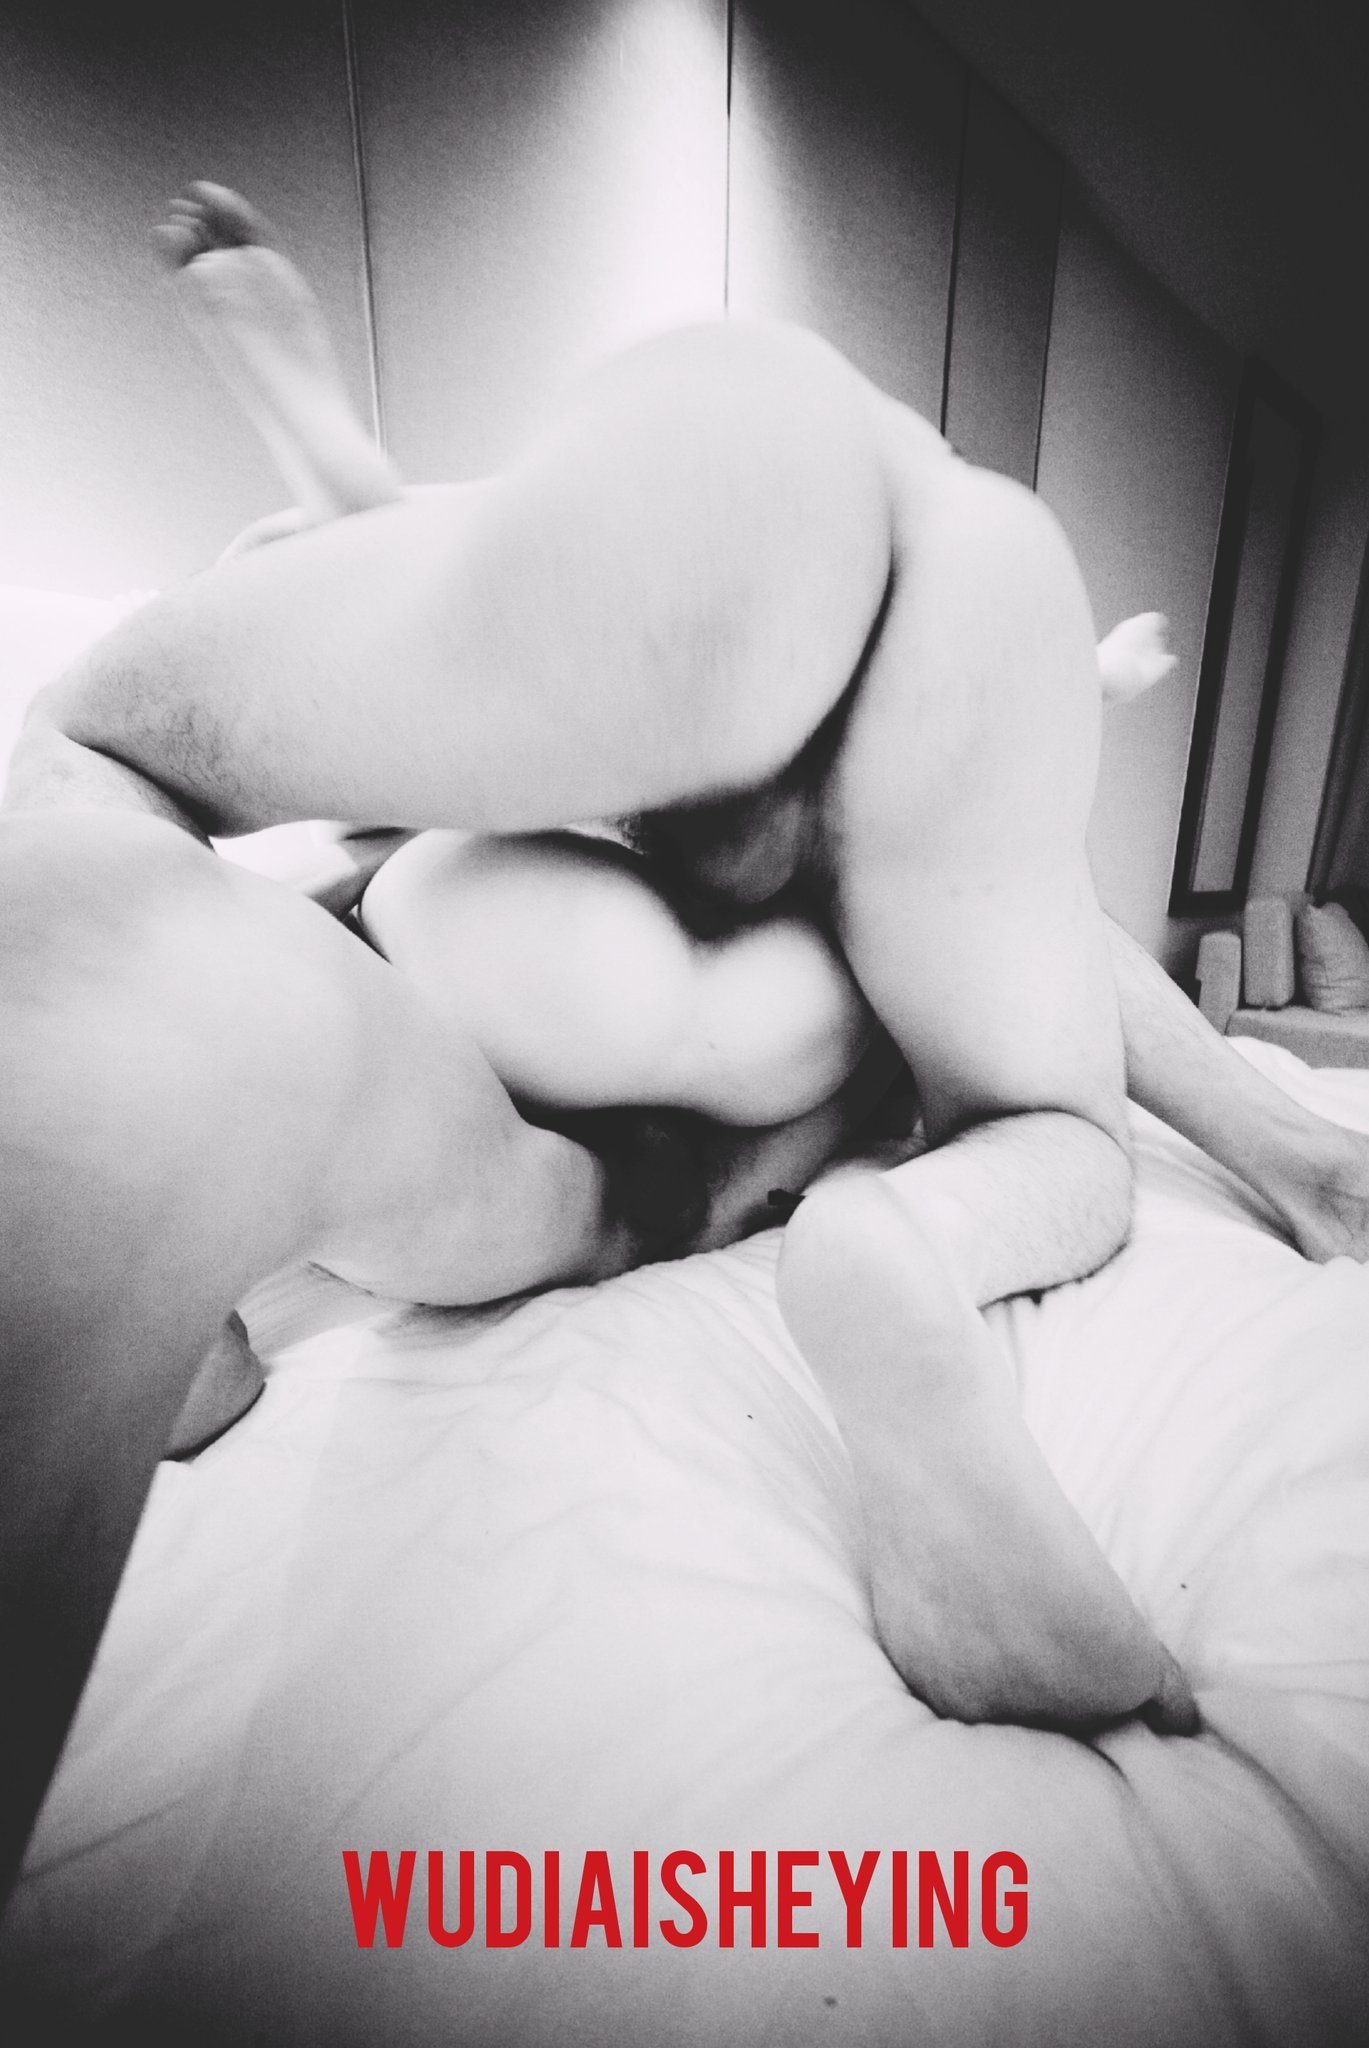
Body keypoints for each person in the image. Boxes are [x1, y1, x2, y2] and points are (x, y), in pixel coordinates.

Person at [5, 183, 1368, 1900]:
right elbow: (1047, 947)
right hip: (842, 769)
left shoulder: (365, 908)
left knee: (113, 822)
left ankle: (145, 1214)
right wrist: (1265, 1126)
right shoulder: (878, 847)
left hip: (535, 1003)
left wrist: (325, 462)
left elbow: (412, 643)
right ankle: (926, 1237)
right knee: (1053, 1127)